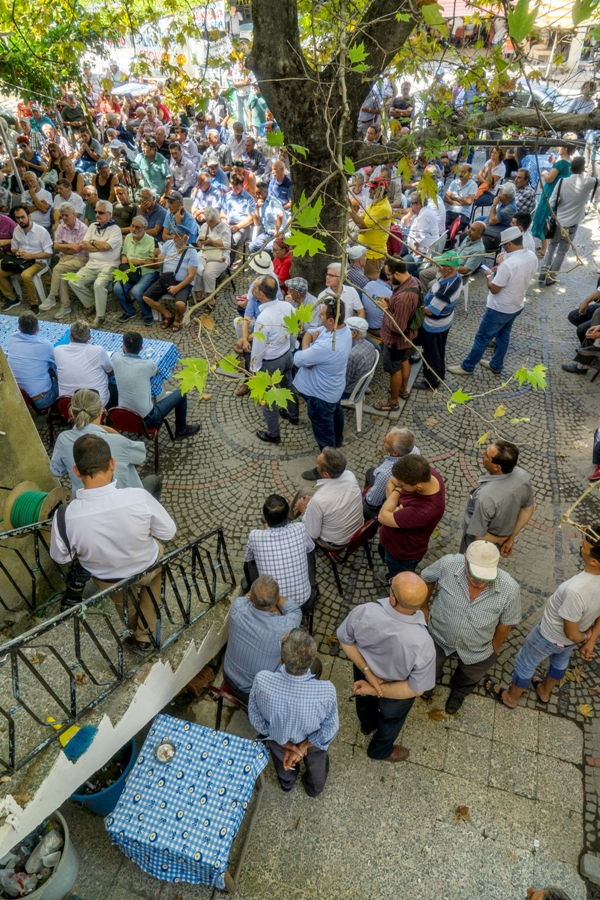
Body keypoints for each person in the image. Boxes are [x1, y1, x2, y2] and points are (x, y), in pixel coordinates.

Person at [50, 434, 176, 655]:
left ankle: (140, 636)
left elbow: (62, 557)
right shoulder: (138, 497)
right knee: (155, 574)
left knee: (124, 604)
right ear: (112, 464)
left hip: (108, 578)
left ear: (77, 471)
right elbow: (168, 532)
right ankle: (144, 637)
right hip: (145, 564)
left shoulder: (64, 516)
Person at [486, 531, 600, 709]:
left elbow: (570, 633)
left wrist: (585, 638)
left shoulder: (576, 591)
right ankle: (544, 691)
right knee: (560, 661)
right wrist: (591, 640)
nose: (580, 544)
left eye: (585, 545)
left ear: (594, 561)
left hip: (549, 636)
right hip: (567, 642)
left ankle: (510, 698)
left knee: (525, 662)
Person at [337, 572, 435, 762]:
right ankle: (379, 751)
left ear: (393, 598)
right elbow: (415, 689)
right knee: (391, 720)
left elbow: (345, 640)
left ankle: (367, 726)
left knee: (363, 702)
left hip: (363, 672)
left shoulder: (364, 611)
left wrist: (367, 674)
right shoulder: (424, 644)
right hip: (395, 691)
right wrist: (377, 689)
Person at [420, 541, 521, 714]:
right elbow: (426, 577)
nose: (479, 581)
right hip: (437, 636)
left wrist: (494, 648)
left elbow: (507, 622)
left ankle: (458, 693)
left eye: (485, 576)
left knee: (468, 677)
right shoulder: (448, 564)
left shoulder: (510, 588)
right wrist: (423, 606)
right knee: (429, 666)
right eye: (474, 574)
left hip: (478, 649)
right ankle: (428, 684)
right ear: (465, 559)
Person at [249, 628, 338, 797]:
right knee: (317, 766)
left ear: (281, 660)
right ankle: (314, 789)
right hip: (312, 741)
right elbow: (329, 730)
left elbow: (256, 719)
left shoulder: (262, 680)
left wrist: (287, 745)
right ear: (312, 662)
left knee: (283, 764)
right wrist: (303, 746)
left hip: (279, 739)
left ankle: (287, 784)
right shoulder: (327, 692)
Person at [448, 226, 537, 377]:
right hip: (516, 305)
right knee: (503, 335)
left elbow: (494, 289)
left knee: (482, 338)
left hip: (499, 307)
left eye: (504, 246)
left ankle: (467, 367)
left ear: (509, 244)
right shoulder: (532, 256)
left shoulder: (508, 264)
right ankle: (496, 364)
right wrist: (500, 267)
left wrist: (490, 275)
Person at [50, 388, 161, 497]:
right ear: (100, 412)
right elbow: (140, 456)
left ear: (72, 413)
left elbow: (56, 470)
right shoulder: (118, 441)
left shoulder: (63, 439)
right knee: (154, 480)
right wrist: (113, 431)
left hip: (85, 502)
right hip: (125, 500)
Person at [112, 330, 199, 439]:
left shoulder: (116, 359)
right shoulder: (148, 365)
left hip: (123, 416)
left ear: (124, 347)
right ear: (141, 348)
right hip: (148, 420)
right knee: (181, 394)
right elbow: (156, 371)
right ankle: (181, 430)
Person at [292, 299, 353, 450]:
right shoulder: (343, 328)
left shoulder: (327, 346)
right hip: (334, 389)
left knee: (324, 433)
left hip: (320, 395)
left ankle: (329, 465)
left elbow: (297, 359)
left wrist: (307, 354)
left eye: (322, 314)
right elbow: (310, 332)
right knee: (336, 415)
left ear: (331, 320)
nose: (318, 315)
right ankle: (338, 440)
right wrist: (309, 350)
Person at [460, 438, 534, 556]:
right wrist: (510, 537)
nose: (482, 454)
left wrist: (500, 540)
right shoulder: (523, 477)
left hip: (477, 548)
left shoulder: (485, 498)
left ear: (497, 468)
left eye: (487, 455)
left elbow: (478, 535)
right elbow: (527, 508)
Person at [244, 495, 316, 614]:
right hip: (304, 602)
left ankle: (252, 590)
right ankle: (312, 585)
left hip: (273, 608)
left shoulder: (255, 536)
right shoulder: (300, 529)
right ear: (287, 515)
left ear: (265, 518)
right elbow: (310, 551)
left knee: (250, 563)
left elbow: (249, 561)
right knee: (309, 552)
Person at [378, 454, 445, 578]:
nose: (400, 485)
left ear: (419, 486)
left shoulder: (425, 511)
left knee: (397, 577)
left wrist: (396, 492)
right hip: (390, 541)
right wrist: (395, 503)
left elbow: (382, 516)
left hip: (402, 554)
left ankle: (392, 582)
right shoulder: (424, 474)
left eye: (403, 485)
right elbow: (392, 481)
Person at [248, 275, 296, 445]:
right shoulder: (287, 306)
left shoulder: (263, 318)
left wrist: (253, 369)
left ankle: (273, 434)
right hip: (286, 355)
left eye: (254, 288)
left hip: (270, 362)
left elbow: (258, 348)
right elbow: (293, 331)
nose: (251, 290)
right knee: (288, 385)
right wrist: (290, 348)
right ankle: (293, 414)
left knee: (268, 399)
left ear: (261, 294)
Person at [539, 157, 597, 285]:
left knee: (552, 246)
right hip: (572, 224)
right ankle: (551, 277)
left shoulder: (562, 182)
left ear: (570, 169)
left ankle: (544, 270)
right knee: (562, 251)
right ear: (583, 169)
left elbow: (552, 202)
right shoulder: (589, 181)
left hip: (559, 222)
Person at [67, 199, 123, 328]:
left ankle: (100, 316)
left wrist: (92, 242)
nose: (97, 214)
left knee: (98, 284)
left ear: (110, 214)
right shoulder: (92, 226)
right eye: (96, 212)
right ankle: (93, 303)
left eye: (101, 212)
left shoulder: (115, 230)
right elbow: (85, 245)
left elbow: (106, 247)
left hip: (109, 265)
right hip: (91, 264)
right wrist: (97, 244)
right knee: (73, 281)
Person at [292, 447, 363, 548]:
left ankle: (282, 523)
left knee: (306, 515)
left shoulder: (318, 500)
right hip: (357, 531)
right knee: (305, 492)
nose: (315, 465)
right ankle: (286, 518)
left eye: (317, 464)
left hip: (336, 542)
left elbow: (313, 534)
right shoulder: (350, 476)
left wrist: (305, 511)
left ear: (326, 474)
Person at [373, 257, 420, 410]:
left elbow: (397, 326)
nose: (388, 278)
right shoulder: (413, 282)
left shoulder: (403, 298)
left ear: (397, 273)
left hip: (395, 341)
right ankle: (402, 390)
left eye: (389, 275)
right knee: (405, 360)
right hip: (407, 339)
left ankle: (393, 402)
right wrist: (390, 301)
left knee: (395, 370)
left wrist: (385, 309)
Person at [414, 250, 463, 391]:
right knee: (438, 350)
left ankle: (431, 381)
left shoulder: (446, 289)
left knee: (431, 353)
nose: (437, 266)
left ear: (450, 268)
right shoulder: (454, 277)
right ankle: (439, 374)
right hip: (444, 322)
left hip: (434, 326)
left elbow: (430, 311)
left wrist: (415, 307)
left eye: (440, 264)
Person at [142, 224, 198, 331]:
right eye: (173, 234)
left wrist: (177, 288)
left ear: (185, 238)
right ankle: (167, 314)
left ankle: (177, 318)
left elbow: (191, 276)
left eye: (177, 235)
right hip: (166, 279)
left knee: (180, 305)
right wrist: (156, 256)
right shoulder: (168, 244)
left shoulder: (192, 252)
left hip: (182, 282)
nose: (173, 237)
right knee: (146, 297)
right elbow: (159, 262)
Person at [0, 205, 53, 312]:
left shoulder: (41, 231)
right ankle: (12, 298)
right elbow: (14, 248)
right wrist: (17, 252)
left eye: (22, 217)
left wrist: (30, 256)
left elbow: (49, 253)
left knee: (26, 275)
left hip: (38, 261)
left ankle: (34, 303)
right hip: (21, 259)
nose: (20, 220)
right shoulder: (17, 230)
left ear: (29, 216)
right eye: (18, 218)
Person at [40, 202, 88, 317]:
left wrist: (65, 246)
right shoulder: (61, 227)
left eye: (67, 215)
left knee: (57, 269)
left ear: (74, 214)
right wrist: (70, 246)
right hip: (64, 258)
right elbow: (56, 246)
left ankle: (52, 297)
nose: (64, 218)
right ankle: (65, 306)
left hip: (80, 259)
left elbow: (77, 250)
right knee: (62, 276)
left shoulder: (83, 228)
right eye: (62, 215)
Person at [55, 319, 115, 406]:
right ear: (89, 337)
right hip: (95, 408)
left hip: (69, 405)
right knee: (114, 388)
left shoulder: (58, 351)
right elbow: (110, 372)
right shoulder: (98, 351)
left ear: (70, 337)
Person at [363, 427, 419, 519]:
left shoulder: (384, 474)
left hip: (387, 502)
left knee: (365, 504)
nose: (383, 439)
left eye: (386, 442)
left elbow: (372, 502)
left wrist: (370, 494)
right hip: (403, 487)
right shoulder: (414, 449)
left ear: (395, 453)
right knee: (370, 472)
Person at [418, 221, 486, 295]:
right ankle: (426, 300)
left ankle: (435, 303)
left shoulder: (479, 250)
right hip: (448, 265)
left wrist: (448, 268)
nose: (468, 231)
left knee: (431, 284)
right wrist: (444, 255)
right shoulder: (470, 237)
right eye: (470, 228)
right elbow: (458, 249)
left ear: (479, 235)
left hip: (458, 275)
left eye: (473, 230)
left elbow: (465, 270)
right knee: (423, 274)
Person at [7, 311, 58, 409]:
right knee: (65, 382)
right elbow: (56, 364)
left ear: (19, 327)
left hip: (19, 395)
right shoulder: (45, 345)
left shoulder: (12, 338)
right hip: (41, 399)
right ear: (38, 328)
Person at [114, 216, 160, 324]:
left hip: (147, 272)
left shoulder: (152, 242)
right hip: (131, 272)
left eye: (138, 227)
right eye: (132, 226)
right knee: (117, 288)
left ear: (144, 229)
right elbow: (124, 253)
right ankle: (129, 311)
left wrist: (139, 262)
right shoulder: (129, 237)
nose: (134, 229)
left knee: (136, 291)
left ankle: (148, 314)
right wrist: (124, 257)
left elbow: (156, 265)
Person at [531, 145, 573, 257]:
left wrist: (545, 173)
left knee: (544, 217)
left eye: (560, 146)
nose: (558, 148)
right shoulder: (570, 162)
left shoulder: (560, 163)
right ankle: (546, 245)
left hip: (551, 192)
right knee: (551, 218)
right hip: (560, 192)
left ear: (565, 148)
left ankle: (544, 249)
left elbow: (549, 179)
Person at [349, 176, 393, 280]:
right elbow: (362, 222)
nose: (369, 190)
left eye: (372, 189)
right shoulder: (374, 203)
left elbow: (363, 226)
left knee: (370, 283)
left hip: (373, 256)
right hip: (366, 254)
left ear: (380, 191)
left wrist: (350, 209)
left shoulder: (382, 208)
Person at [194, 206, 231, 304]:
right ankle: (199, 294)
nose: (209, 224)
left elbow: (227, 246)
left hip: (220, 256)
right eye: (207, 221)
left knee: (208, 273)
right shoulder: (204, 226)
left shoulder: (224, 227)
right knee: (195, 266)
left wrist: (212, 242)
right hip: (205, 253)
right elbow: (198, 244)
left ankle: (210, 299)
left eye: (211, 221)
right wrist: (201, 241)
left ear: (216, 219)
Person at [343, 316, 378, 398]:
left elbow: (343, 383)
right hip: (359, 385)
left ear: (354, 333)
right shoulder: (370, 345)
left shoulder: (353, 355)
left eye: (344, 330)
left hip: (348, 392)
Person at [477, 182, 517, 252]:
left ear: (505, 196)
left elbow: (491, 221)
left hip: (495, 237)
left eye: (500, 192)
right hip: (494, 227)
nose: (498, 194)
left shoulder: (509, 209)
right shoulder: (506, 202)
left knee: (469, 238)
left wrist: (494, 204)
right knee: (478, 220)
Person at [248, 179, 286, 252]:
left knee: (267, 249)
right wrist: (256, 208)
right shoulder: (259, 203)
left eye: (260, 193)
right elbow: (256, 223)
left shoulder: (273, 202)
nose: (257, 196)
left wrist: (276, 233)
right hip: (267, 234)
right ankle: (258, 263)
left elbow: (280, 215)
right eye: (256, 193)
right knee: (252, 246)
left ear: (266, 192)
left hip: (279, 234)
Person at [135, 138, 172, 205]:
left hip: (158, 198)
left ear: (152, 148)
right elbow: (133, 168)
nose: (142, 149)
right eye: (141, 147)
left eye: (144, 147)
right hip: (144, 197)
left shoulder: (162, 160)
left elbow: (169, 179)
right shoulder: (140, 157)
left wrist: (164, 196)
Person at [444, 163, 478, 234]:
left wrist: (454, 196)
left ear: (469, 174)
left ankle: (449, 244)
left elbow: (469, 202)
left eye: (463, 172)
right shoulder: (454, 182)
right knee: (440, 226)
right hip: (450, 211)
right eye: (460, 171)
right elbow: (446, 198)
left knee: (451, 231)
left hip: (463, 214)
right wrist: (454, 202)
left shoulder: (473, 185)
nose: (460, 174)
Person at [361, 268, 392, 335]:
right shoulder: (390, 294)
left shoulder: (369, 284)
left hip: (367, 324)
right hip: (379, 330)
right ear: (390, 278)